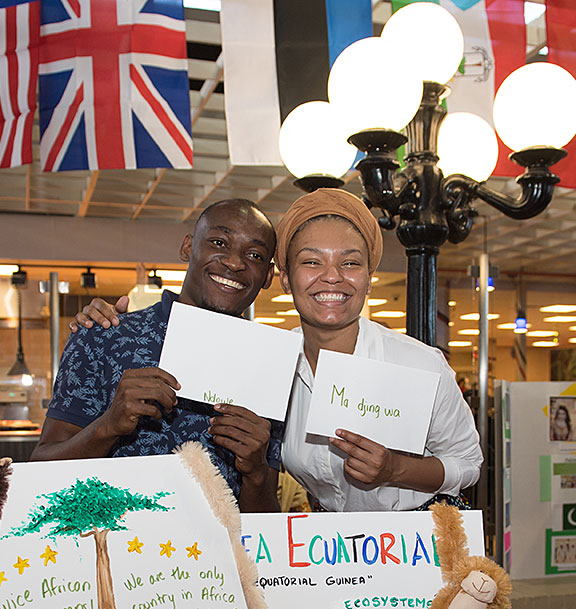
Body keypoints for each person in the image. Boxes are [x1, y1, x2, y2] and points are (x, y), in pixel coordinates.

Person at [74, 189, 482, 512]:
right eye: (311, 262)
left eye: (351, 263)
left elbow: (468, 464)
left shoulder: (418, 365)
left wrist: (398, 468)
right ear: (284, 279)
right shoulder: (267, 365)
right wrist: (109, 325)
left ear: (369, 279)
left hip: (424, 544)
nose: (332, 277)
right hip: (333, 555)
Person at [31, 199, 282, 513]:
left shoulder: (270, 368)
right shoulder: (103, 335)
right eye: (219, 242)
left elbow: (265, 524)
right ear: (188, 247)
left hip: (216, 560)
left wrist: (256, 472)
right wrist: (108, 426)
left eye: (254, 255)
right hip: (110, 553)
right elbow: (38, 475)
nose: (234, 262)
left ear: (268, 275)